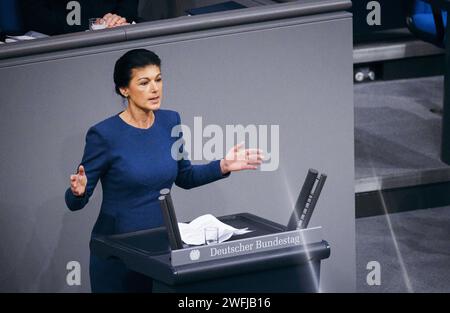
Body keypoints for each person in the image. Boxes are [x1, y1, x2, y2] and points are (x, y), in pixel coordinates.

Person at [64, 49, 264, 292]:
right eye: (144, 82)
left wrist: (222, 165)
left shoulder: (170, 121)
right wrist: (77, 191)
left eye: (158, 79)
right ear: (124, 89)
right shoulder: (104, 135)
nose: (155, 88)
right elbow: (75, 203)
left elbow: (185, 176)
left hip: (160, 250)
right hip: (118, 253)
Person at [20, 0, 139, 35]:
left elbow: (127, 12)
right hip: (58, 46)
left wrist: (115, 20)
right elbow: (37, 18)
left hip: (112, 39)